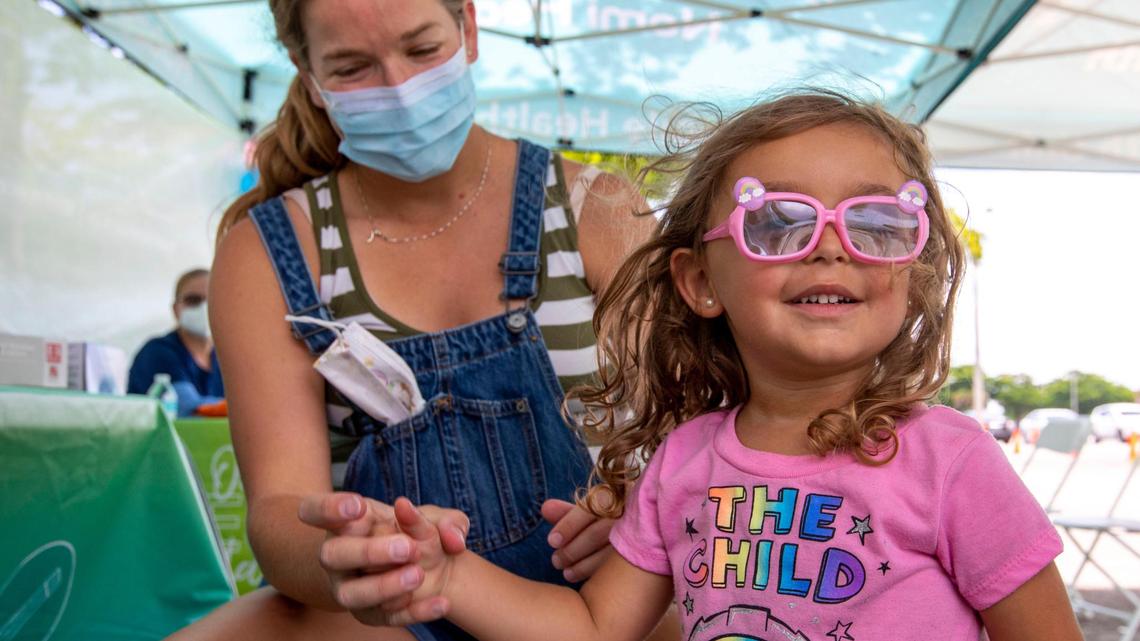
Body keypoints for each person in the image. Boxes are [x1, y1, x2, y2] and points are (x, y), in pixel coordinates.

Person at [340, 90, 1085, 641]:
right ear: (699, 281)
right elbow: (596, 628)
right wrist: (449, 575)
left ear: (913, 262)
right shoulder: (683, 461)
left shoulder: (952, 462)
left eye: (877, 222)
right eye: (778, 223)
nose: (832, 246)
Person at [171, 0, 669, 639]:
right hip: (390, 615)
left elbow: (690, 438)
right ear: (306, 70)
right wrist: (358, 563)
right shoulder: (267, 254)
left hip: (600, 600)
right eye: (352, 68)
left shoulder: (595, 209)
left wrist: (639, 517)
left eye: (422, 50)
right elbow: (277, 511)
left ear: (468, 26)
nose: (400, 91)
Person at [127, 268, 224, 417]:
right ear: (176, 309)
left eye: (212, 300)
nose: (204, 308)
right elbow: (187, 408)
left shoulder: (226, 359)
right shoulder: (157, 352)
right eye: (193, 300)